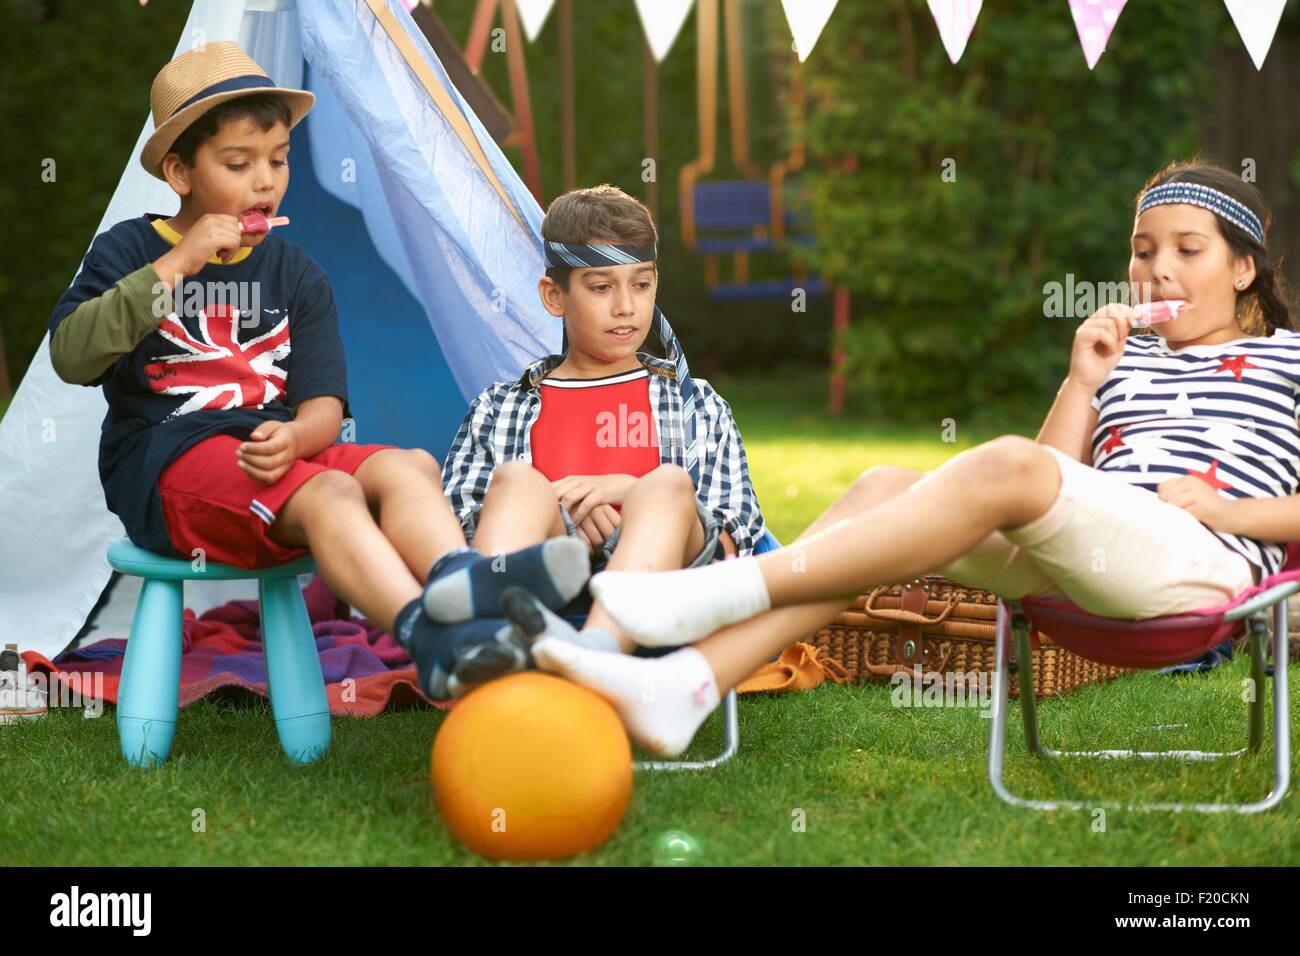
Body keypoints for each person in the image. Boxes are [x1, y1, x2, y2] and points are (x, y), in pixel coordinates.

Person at [526, 160, 1298, 756]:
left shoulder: (1288, 359)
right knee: (881, 486)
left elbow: (1031, 481)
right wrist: (1082, 380)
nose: (1155, 269)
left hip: (1207, 566)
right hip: (1102, 562)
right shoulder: (1125, 359)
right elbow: (1057, 492)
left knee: (1002, 464)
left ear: (1242, 269)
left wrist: (1229, 511)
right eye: (1141, 251)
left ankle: (722, 590)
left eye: (1186, 250)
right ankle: (687, 686)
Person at [48, 41, 589, 701]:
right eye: (238, 163)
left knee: (409, 466)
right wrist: (179, 262)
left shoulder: (296, 273)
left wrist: (300, 439)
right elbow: (73, 356)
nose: (265, 181)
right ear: (180, 172)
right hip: (169, 469)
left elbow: (324, 407)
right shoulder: (131, 251)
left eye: (278, 160)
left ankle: (460, 582)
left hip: (280, 461)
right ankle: (435, 639)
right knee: (332, 496)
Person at [437, 184, 767, 661]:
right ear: (555, 296)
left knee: (669, 484)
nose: (626, 307)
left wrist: (628, 491)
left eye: (641, 284)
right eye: (601, 287)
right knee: (515, 481)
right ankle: (487, 647)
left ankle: (598, 652)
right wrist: (562, 504)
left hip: (669, 593)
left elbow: (736, 536)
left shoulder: (694, 402)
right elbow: (457, 529)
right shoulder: (500, 408)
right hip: (541, 584)